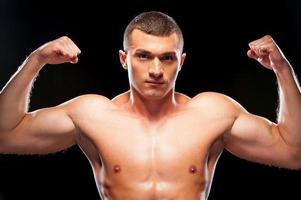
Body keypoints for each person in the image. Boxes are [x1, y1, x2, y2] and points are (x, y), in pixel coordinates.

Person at [0, 11, 300, 200]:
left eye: (167, 58)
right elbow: (6, 135)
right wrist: (35, 59)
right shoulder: (93, 114)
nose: (156, 69)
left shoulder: (212, 113)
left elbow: (293, 152)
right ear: (124, 59)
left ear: (180, 63)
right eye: (143, 56)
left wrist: (282, 69)